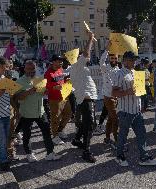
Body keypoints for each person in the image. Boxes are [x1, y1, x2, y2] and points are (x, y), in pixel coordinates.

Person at [112, 51, 156, 167]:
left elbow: (139, 91)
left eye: (134, 59)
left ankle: (144, 157)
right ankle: (119, 156)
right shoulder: (119, 73)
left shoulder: (135, 72)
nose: (134, 62)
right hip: (125, 111)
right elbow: (113, 92)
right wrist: (127, 92)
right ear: (124, 61)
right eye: (131, 59)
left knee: (141, 134)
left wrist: (142, 103)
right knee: (123, 135)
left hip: (136, 110)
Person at [16, 60, 61, 162]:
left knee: (46, 132)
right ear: (24, 69)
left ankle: (50, 153)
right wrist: (29, 92)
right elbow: (17, 98)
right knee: (27, 135)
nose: (31, 71)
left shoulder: (39, 79)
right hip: (27, 113)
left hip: (40, 111)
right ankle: (29, 153)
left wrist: (46, 91)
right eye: (29, 69)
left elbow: (43, 93)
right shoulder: (19, 82)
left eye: (33, 69)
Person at [70, 31, 98, 163]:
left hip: (86, 99)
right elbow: (87, 53)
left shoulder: (79, 67)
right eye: (80, 55)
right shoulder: (77, 65)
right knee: (90, 124)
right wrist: (91, 39)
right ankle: (86, 151)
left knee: (87, 123)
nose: (84, 56)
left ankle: (76, 139)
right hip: (86, 100)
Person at [45, 55, 72, 145]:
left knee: (68, 114)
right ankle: (55, 135)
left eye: (61, 61)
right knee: (55, 117)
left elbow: (61, 80)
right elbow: (46, 85)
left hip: (64, 96)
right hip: (54, 99)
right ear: (53, 62)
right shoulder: (48, 73)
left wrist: (66, 80)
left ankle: (60, 130)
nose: (60, 63)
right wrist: (54, 87)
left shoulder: (60, 70)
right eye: (58, 61)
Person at [99, 42, 120, 149]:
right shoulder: (105, 68)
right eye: (112, 58)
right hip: (108, 97)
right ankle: (117, 141)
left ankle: (107, 138)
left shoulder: (118, 70)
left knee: (111, 119)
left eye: (115, 58)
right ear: (109, 59)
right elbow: (101, 61)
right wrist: (107, 49)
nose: (114, 60)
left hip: (116, 98)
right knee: (115, 119)